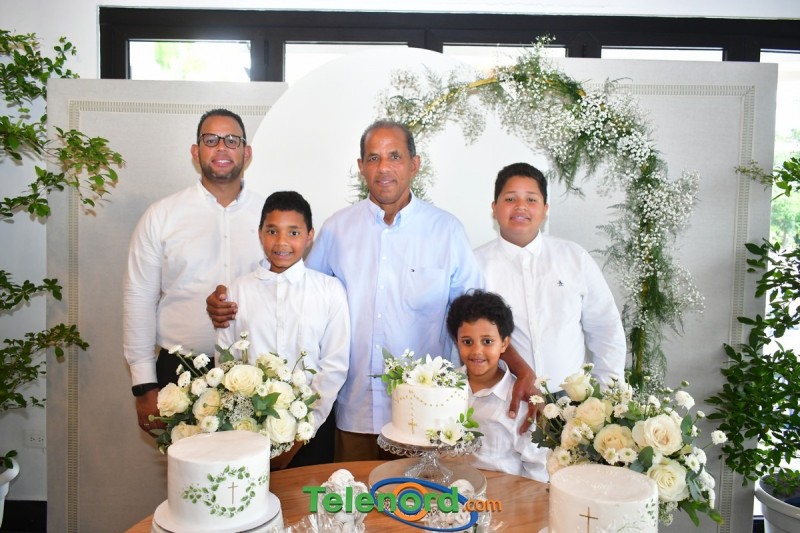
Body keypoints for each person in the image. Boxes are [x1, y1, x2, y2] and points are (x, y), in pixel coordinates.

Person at [123, 108, 264, 435]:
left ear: (247, 152)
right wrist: (144, 386)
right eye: (210, 140)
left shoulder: (270, 216)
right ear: (195, 151)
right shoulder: (162, 215)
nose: (221, 147)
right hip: (179, 373)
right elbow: (138, 299)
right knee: (188, 468)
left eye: (231, 140)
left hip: (256, 373)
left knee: (252, 466)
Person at [216, 191, 350, 467]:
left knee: (309, 493)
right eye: (272, 231)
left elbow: (334, 364)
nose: (282, 242)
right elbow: (226, 361)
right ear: (260, 233)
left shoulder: (329, 290)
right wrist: (246, 417)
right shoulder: (238, 290)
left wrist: (305, 427)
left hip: (313, 430)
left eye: (293, 232)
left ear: (309, 236)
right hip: (249, 428)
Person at [474, 162, 626, 390]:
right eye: (510, 199)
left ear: (545, 209)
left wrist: (609, 393)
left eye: (531, 199)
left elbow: (605, 328)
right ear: (494, 208)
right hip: (503, 402)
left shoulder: (574, 257)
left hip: (573, 402)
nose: (521, 207)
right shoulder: (475, 265)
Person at [446, 289, 548, 481]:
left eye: (487, 341)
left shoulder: (521, 400)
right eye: (467, 342)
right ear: (456, 342)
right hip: (448, 492)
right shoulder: (443, 387)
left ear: (504, 344)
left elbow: (538, 468)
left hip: (504, 495)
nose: (477, 351)